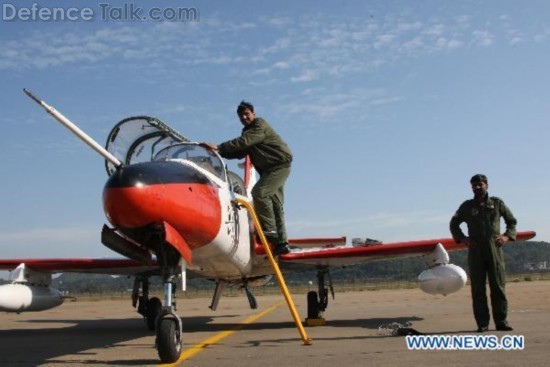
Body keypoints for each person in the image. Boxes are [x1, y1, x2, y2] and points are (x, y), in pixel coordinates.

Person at [202, 101, 293, 255]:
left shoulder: (259, 125)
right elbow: (240, 151)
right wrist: (218, 153)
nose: (244, 117)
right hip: (267, 171)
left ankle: (269, 231)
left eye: (247, 114)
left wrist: (220, 147)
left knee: (259, 193)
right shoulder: (247, 132)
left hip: (279, 166)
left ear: (253, 113)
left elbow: (245, 142)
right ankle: (282, 243)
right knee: (276, 204)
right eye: (241, 116)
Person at [449, 174, 517, 332]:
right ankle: (482, 323)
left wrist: (507, 236)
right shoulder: (466, 206)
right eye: (474, 185)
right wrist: (463, 239)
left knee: (498, 286)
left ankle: (501, 322)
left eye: (480, 184)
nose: (477, 187)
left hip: (495, 248)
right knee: (478, 288)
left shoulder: (497, 203)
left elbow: (511, 221)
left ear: (487, 185)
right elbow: (454, 224)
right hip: (476, 249)